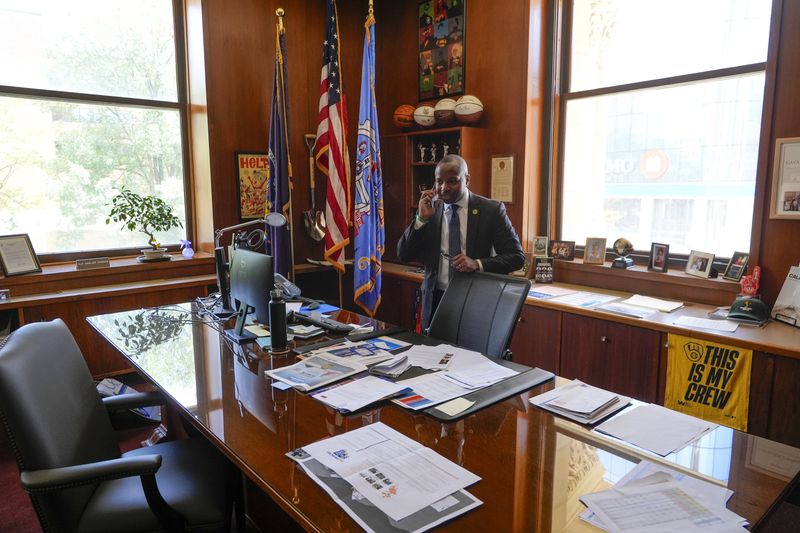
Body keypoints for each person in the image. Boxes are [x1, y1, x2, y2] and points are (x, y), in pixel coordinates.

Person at [397, 154, 525, 329]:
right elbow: (403, 254)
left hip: (475, 300)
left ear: (467, 179)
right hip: (435, 299)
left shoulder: (491, 210)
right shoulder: (430, 211)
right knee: (434, 353)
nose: (444, 188)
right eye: (438, 181)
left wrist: (477, 263)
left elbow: (516, 257)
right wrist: (421, 219)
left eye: (452, 181)